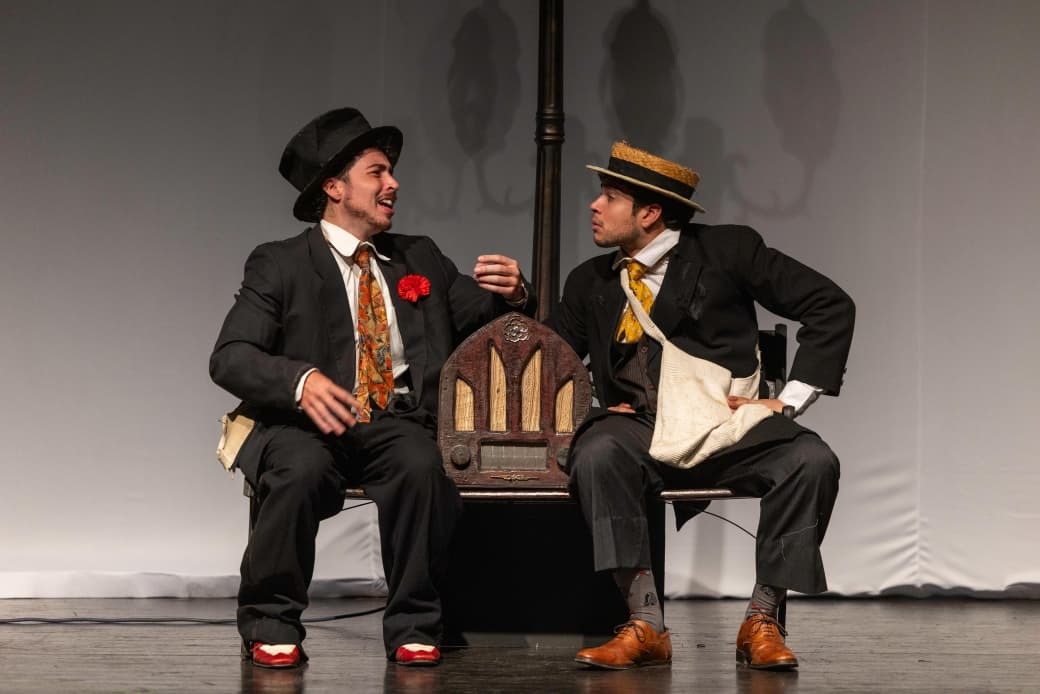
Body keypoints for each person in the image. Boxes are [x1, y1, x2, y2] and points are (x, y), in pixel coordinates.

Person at [210, 107, 532, 669]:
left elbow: (484, 319)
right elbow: (231, 356)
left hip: (393, 421)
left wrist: (514, 293)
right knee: (299, 471)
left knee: (420, 466)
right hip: (306, 424)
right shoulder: (281, 263)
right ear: (334, 188)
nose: (394, 184)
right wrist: (301, 381)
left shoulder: (417, 256)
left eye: (391, 173)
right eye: (377, 172)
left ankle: (416, 623)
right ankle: (272, 620)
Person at [548, 142, 854, 671]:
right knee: (597, 453)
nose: (595, 206)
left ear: (649, 212)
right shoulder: (590, 280)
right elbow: (552, 360)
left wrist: (788, 401)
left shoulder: (727, 252)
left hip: (725, 426)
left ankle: (762, 619)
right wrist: (590, 412)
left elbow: (829, 305)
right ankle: (645, 622)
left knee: (811, 461)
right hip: (641, 430)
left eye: (610, 197)